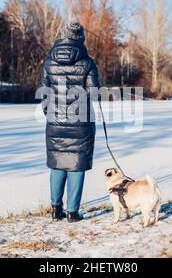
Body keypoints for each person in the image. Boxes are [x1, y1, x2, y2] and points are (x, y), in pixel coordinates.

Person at [40, 22, 100, 223]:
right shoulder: (88, 63)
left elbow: (45, 94)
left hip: (55, 121)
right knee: (76, 164)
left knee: (57, 162)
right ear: (81, 37)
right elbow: (94, 93)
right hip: (81, 121)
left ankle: (56, 209)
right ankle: (72, 213)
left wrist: (50, 113)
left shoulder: (49, 62)